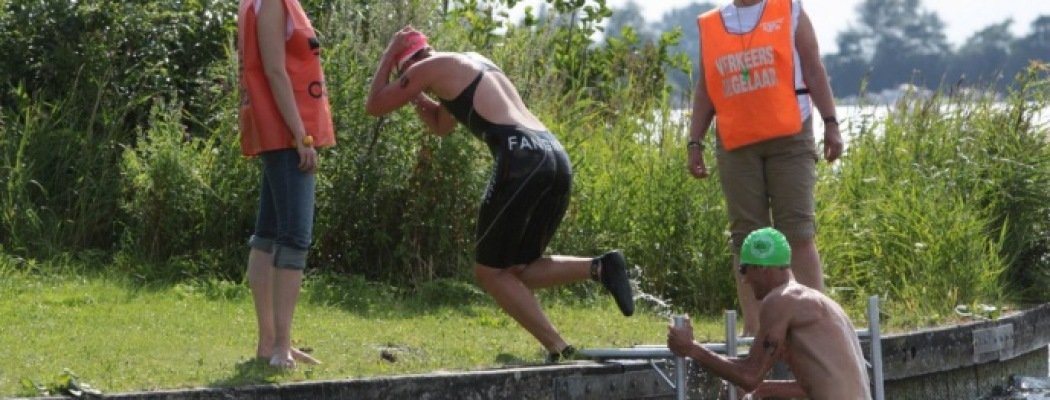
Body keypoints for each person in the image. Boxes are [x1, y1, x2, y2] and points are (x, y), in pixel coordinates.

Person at [365, 27, 635, 361]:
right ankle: (600, 268)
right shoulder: (466, 63)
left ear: (406, 65)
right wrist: (415, 95)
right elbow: (440, 125)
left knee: (489, 272)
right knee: (518, 270)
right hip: (554, 157)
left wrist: (387, 53)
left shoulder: (426, 67)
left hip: (521, 160)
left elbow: (375, 105)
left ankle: (559, 347)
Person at [687, 0, 844, 335]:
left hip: (790, 137)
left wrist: (831, 123)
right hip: (736, 144)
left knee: (797, 232)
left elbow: (814, 67)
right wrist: (694, 142)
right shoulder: (712, 24)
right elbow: (706, 87)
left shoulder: (789, 9)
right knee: (746, 237)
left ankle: (816, 324)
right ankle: (755, 329)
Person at [236, 0, 335, 368]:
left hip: (274, 131)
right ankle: (279, 347)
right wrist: (300, 135)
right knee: (293, 239)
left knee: (267, 236)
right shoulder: (275, 4)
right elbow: (275, 71)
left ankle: (270, 345)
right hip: (285, 133)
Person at [667, 227, 871, 400]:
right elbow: (821, 383)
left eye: (744, 270)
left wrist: (691, 349)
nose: (745, 280)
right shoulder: (823, 303)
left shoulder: (780, 300)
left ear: (762, 268)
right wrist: (764, 388)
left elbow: (749, 376)